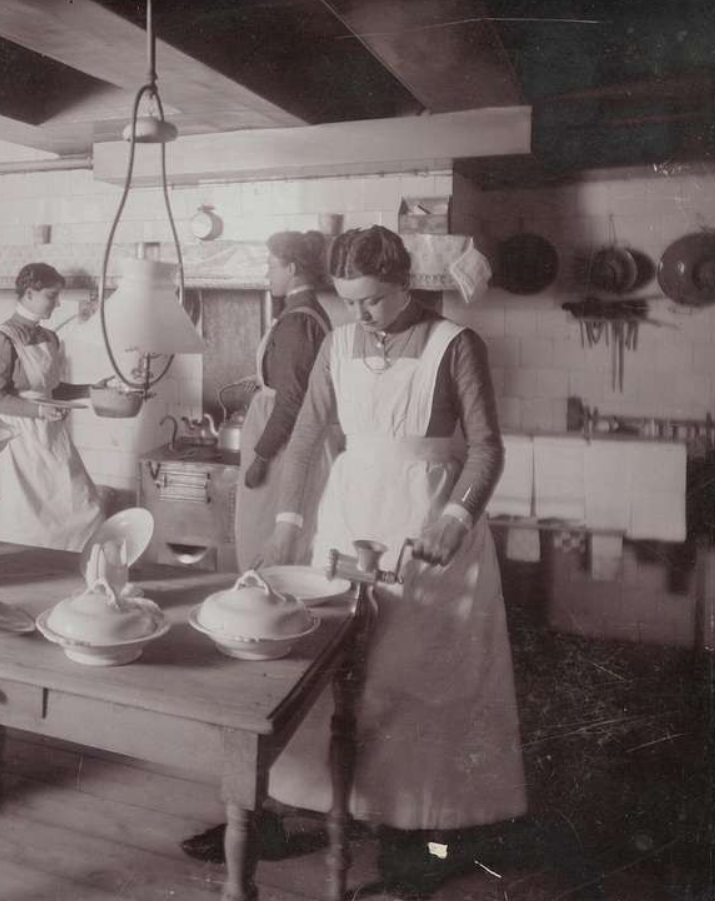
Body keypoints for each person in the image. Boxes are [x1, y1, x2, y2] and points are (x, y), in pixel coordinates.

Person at [182, 226, 527, 898]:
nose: (357, 314)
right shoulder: (338, 343)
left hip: (427, 526)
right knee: (333, 669)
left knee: (423, 676)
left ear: (402, 282)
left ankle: (424, 832)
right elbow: (307, 438)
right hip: (347, 518)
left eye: (369, 300)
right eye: (348, 301)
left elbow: (485, 449)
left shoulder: (454, 344)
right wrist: (286, 525)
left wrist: (452, 519)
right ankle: (304, 806)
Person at [0, 262, 105, 551]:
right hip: (15, 439)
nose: (58, 303)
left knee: (84, 508)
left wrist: (92, 389)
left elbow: (50, 389)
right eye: (51, 295)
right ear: (29, 294)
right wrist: (38, 411)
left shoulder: (49, 338)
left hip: (50, 433)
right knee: (22, 521)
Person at [234, 230, 338, 570]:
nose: (268, 274)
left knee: (267, 545)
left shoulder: (298, 321)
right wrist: (264, 381)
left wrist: (260, 459)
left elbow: (291, 401)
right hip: (287, 441)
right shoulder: (306, 313)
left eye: (271, 266)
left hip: (283, 451)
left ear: (291, 268)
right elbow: (296, 379)